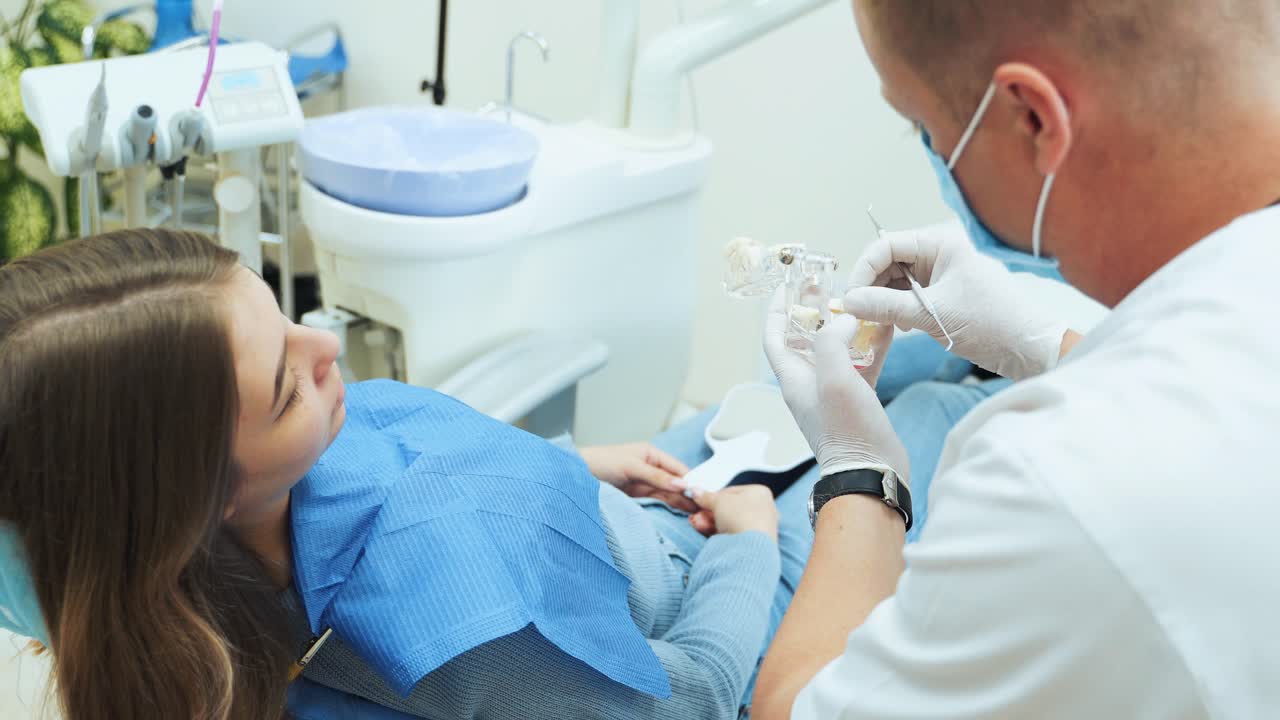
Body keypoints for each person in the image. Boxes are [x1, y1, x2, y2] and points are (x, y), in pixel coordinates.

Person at [0, 228, 851, 720]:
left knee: (806, 386)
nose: (326, 346)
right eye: (286, 387)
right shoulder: (473, 638)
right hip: (697, 591)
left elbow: (409, 459)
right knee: (899, 418)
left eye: (285, 315)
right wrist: (748, 543)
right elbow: (696, 699)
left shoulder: (126, 567)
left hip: (610, 509)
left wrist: (573, 467)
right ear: (199, 503)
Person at [751, 1, 1280, 718]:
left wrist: (859, 472)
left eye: (923, 126)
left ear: (1032, 118)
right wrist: (1048, 347)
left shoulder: (1055, 486)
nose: (934, 151)